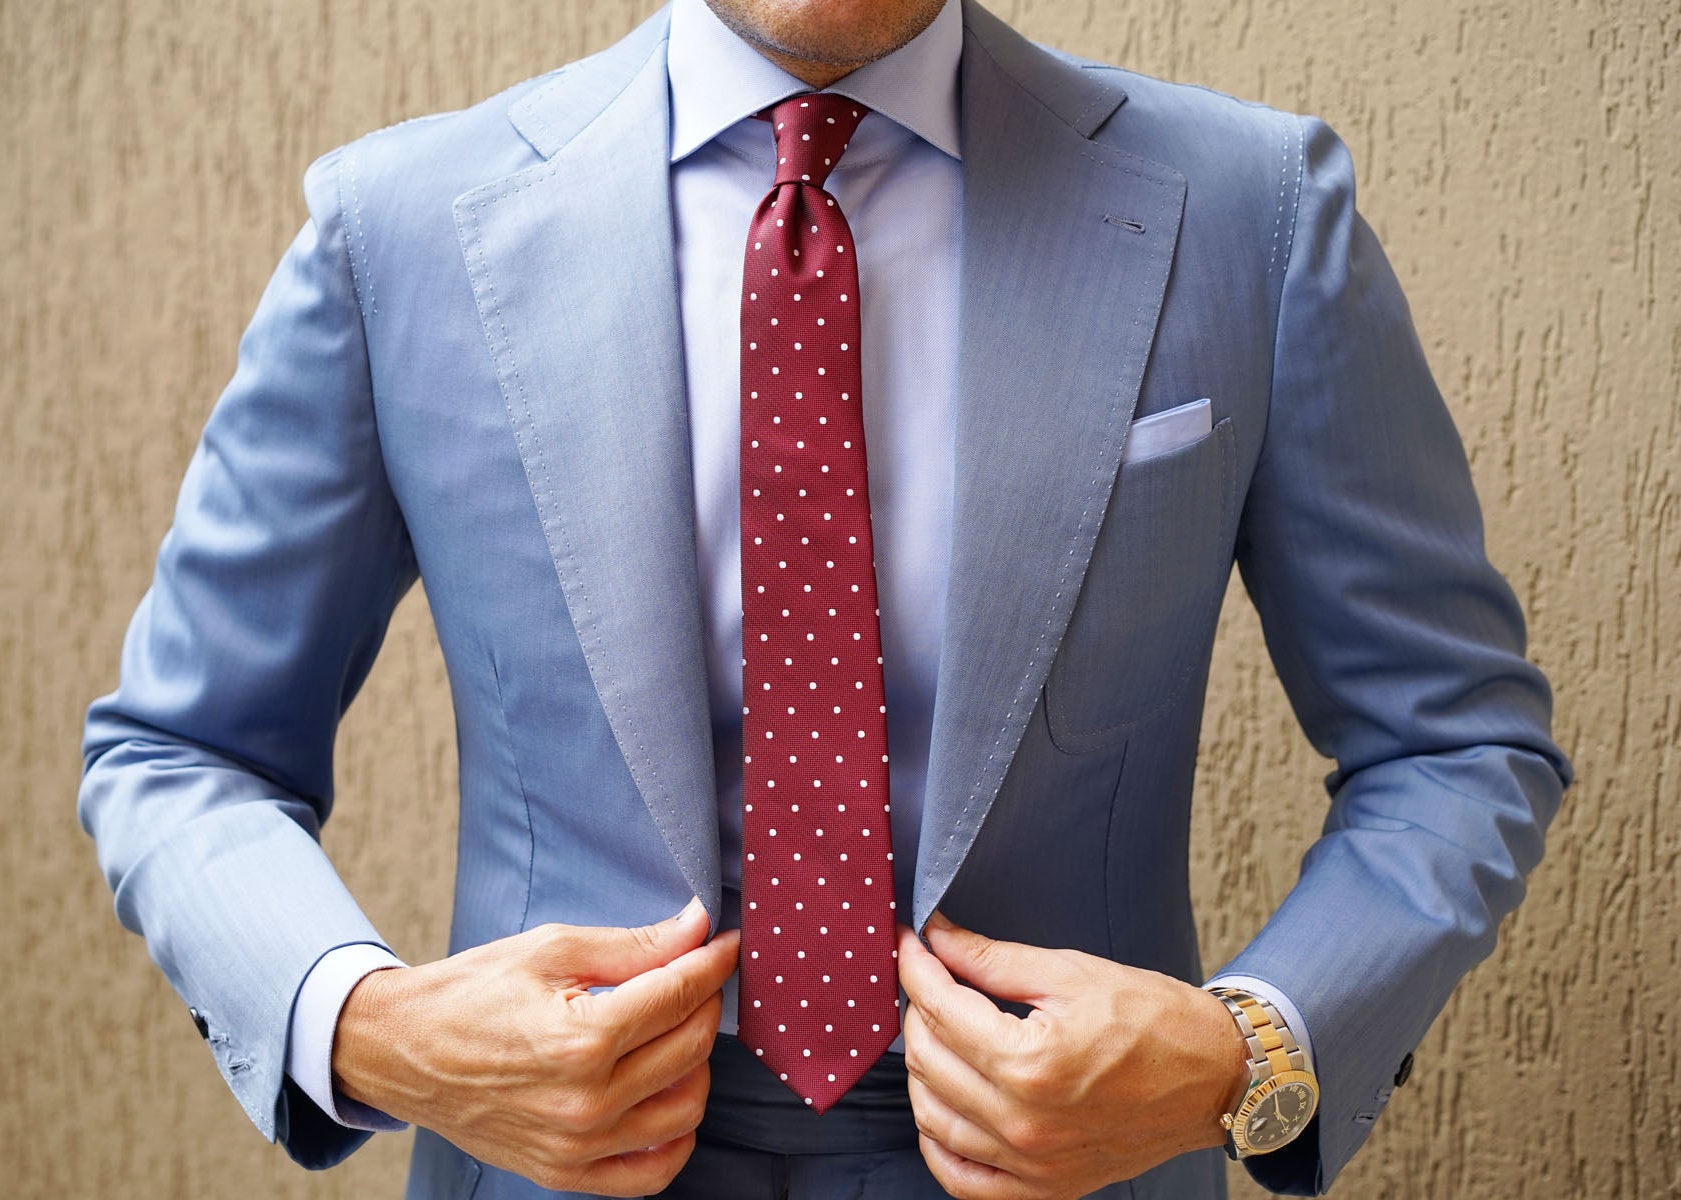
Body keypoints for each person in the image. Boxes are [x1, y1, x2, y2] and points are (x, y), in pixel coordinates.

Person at [77, 0, 1571, 1196]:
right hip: (552, 1171)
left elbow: (1452, 744)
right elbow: (183, 753)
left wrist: (1248, 1051)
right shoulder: (393, 230)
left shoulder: (1251, 213)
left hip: (1065, 1177)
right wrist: (371, 1029)